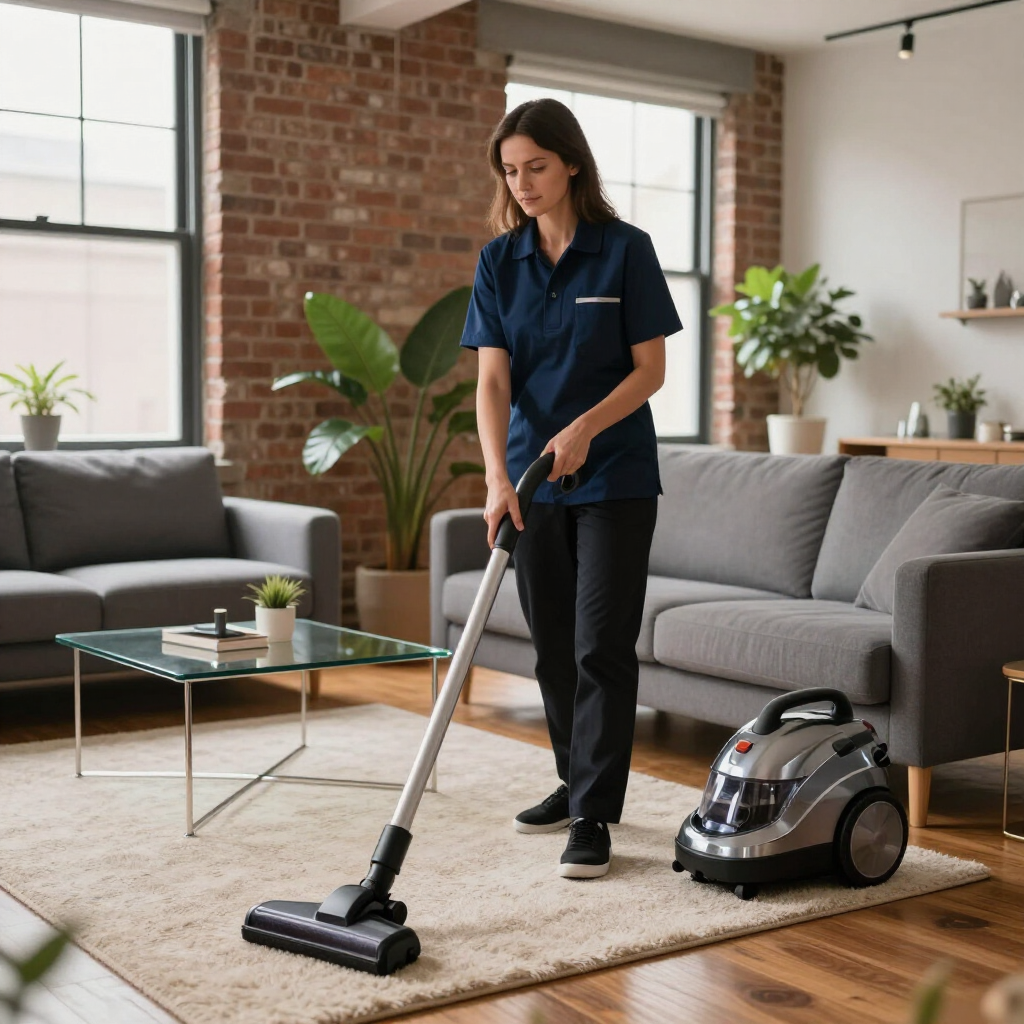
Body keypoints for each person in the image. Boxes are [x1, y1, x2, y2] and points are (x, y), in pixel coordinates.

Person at [460, 98, 682, 879]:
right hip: (528, 481)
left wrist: (586, 426)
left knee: (599, 646)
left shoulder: (625, 251)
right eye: (510, 170)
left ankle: (594, 813)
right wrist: (495, 475)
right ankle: (571, 779)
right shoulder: (499, 261)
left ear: (572, 164)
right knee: (552, 646)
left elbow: (650, 370)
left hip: (615, 478)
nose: (521, 182)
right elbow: (492, 382)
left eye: (536, 167)